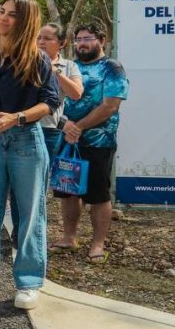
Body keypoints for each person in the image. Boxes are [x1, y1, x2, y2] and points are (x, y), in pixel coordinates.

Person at [0, 0, 59, 311]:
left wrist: (17, 117)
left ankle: (29, 283)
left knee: (30, 215)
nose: (2, 18)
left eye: (10, 14)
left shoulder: (38, 60)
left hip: (26, 141)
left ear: (25, 20)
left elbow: (50, 102)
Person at [55, 23, 128, 263]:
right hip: (66, 138)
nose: (81, 44)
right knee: (67, 190)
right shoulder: (68, 66)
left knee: (97, 194)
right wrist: (66, 125)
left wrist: (80, 126)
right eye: (78, 39)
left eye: (87, 39)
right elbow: (51, 98)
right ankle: (69, 238)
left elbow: (110, 105)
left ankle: (97, 244)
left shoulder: (112, 67)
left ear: (102, 40)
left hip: (98, 140)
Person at [37, 23, 84, 162]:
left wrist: (53, 70)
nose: (41, 42)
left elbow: (76, 93)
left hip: (49, 131)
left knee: (44, 178)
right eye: (38, 38)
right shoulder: (25, 63)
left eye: (47, 38)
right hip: (22, 128)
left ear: (62, 43)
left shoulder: (69, 66)